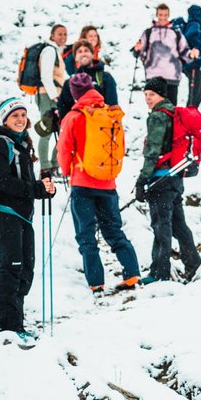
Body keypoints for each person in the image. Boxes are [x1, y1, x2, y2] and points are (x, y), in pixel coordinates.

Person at [57, 73, 140, 297]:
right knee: (113, 230)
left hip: (82, 182)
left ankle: (96, 283)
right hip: (108, 183)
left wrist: (66, 172)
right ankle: (132, 273)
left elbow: (64, 150)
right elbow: (120, 147)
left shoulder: (73, 117)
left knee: (86, 235)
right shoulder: (111, 113)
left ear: (75, 94)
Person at [0, 97, 55, 346]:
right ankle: (8, 326)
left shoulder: (22, 144)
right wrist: (35, 189)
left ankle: (17, 322)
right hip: (5, 214)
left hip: (23, 216)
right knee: (11, 269)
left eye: (23, 115)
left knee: (26, 269)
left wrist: (43, 189)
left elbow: (25, 185)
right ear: (5, 119)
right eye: (15, 115)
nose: (20, 119)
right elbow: (2, 181)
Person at [135, 77, 201, 285]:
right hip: (175, 177)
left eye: (151, 95)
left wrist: (142, 179)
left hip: (160, 179)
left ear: (161, 95)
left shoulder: (157, 117)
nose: (147, 99)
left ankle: (160, 272)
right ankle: (194, 264)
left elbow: (152, 151)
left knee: (160, 225)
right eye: (145, 95)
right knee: (178, 224)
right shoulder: (174, 113)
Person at [133, 4, 196, 105]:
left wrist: (191, 55)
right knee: (155, 111)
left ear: (168, 15)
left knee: (171, 111)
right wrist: (137, 49)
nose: (163, 17)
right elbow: (139, 52)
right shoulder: (148, 32)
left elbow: (185, 52)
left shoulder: (176, 33)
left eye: (165, 15)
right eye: (160, 15)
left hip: (172, 78)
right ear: (157, 15)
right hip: (153, 77)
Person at [57, 39, 118, 120]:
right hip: (77, 128)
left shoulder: (105, 77)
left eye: (86, 50)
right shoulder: (69, 82)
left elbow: (113, 106)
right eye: (80, 52)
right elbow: (64, 110)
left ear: (92, 54)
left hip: (100, 127)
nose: (83, 54)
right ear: (75, 57)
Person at [36, 23, 68, 172]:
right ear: (52, 36)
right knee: (47, 130)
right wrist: (55, 97)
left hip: (53, 95)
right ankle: (45, 166)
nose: (63, 37)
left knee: (61, 129)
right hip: (47, 95)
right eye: (59, 34)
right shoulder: (49, 51)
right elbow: (45, 76)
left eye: (65, 34)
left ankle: (54, 163)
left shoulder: (56, 52)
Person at [178, 5, 201, 108]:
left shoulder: (194, 25)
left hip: (193, 63)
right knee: (195, 95)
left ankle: (190, 117)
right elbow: (189, 37)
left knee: (196, 94)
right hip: (193, 63)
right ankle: (188, 118)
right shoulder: (194, 24)